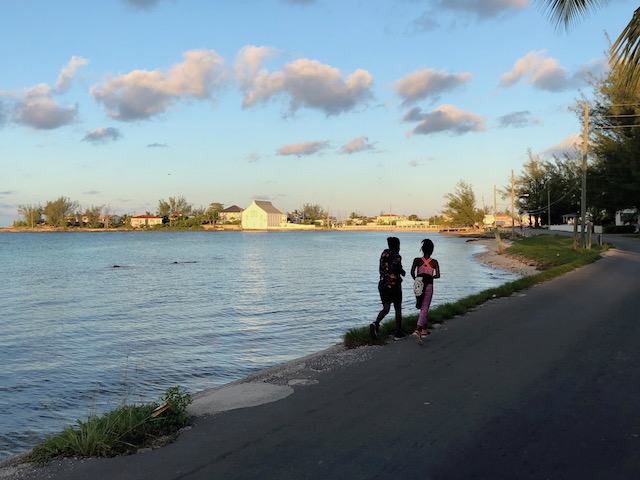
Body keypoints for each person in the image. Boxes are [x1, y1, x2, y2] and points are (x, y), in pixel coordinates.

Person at [370, 237, 406, 341]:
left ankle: (375, 324)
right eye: (398, 245)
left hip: (382, 284)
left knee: (386, 308)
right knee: (397, 308)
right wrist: (401, 271)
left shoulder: (383, 254)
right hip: (394, 285)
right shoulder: (396, 256)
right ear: (396, 246)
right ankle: (398, 332)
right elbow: (395, 267)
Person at [410, 238, 440, 345]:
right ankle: (418, 330)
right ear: (432, 250)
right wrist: (430, 277)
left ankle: (424, 330)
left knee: (421, 304)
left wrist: (418, 279)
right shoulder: (434, 262)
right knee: (425, 307)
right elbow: (438, 275)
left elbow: (412, 272)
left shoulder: (417, 260)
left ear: (422, 249)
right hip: (429, 285)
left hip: (419, 285)